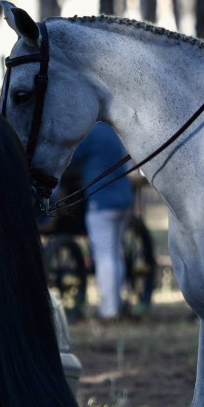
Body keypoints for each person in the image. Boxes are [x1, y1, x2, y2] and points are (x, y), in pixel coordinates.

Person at [67, 122, 136, 320]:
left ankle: (109, 310)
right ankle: (116, 304)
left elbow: (70, 160)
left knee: (105, 255)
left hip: (102, 202)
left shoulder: (88, 133)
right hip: (124, 199)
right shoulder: (115, 130)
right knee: (116, 254)